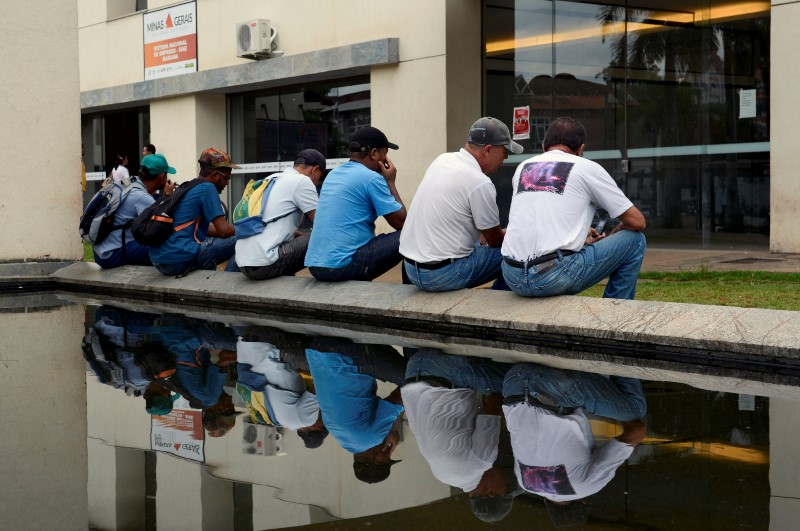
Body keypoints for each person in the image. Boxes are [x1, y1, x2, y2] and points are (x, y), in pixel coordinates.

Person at [501, 117, 646, 300]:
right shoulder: (587, 167)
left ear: (544, 146)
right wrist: (615, 235)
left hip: (512, 275)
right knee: (635, 240)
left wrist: (578, 235)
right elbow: (637, 221)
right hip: (552, 276)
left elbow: (540, 218)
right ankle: (614, 315)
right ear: (581, 149)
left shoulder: (524, 167)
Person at [502, 362, 647, 526]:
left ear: (583, 501)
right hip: (513, 382)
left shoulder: (586, 487)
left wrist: (614, 410)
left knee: (634, 410)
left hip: (554, 387)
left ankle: (623, 355)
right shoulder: (525, 483)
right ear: (545, 502)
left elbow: (636, 432)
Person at [400, 117, 522, 291]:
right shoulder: (479, 182)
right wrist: (516, 232)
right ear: (488, 150)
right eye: (505, 151)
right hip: (440, 275)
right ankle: (497, 302)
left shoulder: (442, 160)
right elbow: (494, 240)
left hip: (411, 269)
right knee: (517, 252)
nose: (506, 158)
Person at [401, 349, 517, 521]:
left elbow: (493, 404)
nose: (505, 478)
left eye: (506, 485)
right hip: (412, 370)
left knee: (521, 386)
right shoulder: (442, 475)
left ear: (492, 493)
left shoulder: (481, 462)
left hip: (444, 370)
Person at [304, 126, 407, 282]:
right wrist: (390, 182)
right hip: (340, 267)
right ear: (374, 154)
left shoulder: (333, 174)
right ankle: (410, 292)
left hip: (316, 266)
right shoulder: (371, 178)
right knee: (412, 234)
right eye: (384, 156)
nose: (385, 161)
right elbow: (402, 223)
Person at [305, 337, 407, 483]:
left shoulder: (371, 438)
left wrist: (394, 428)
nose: (389, 453)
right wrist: (392, 429)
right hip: (319, 351)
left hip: (344, 355)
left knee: (416, 379)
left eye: (388, 458)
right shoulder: (343, 439)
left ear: (377, 459)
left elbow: (403, 395)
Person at [234, 149, 324, 280]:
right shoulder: (302, 181)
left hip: (244, 265)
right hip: (266, 264)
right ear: (314, 170)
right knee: (320, 236)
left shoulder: (272, 178)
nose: (316, 183)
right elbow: (321, 224)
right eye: (319, 178)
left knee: (299, 238)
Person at [149, 147, 238, 277]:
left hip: (160, 260)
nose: (227, 183)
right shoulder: (208, 188)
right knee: (244, 239)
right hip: (178, 260)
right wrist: (249, 228)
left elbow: (205, 229)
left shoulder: (189, 186)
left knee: (210, 244)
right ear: (215, 175)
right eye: (227, 178)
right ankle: (229, 281)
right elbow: (223, 231)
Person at [93, 154, 176, 269]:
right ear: (162, 175)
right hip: (111, 255)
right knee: (167, 248)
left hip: (99, 252)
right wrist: (167, 196)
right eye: (166, 174)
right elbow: (158, 227)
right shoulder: (141, 197)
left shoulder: (131, 183)